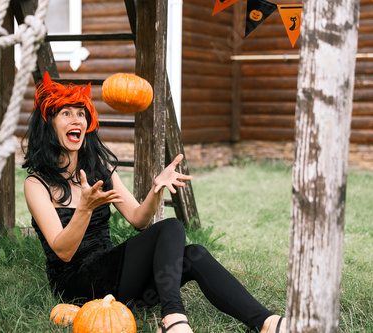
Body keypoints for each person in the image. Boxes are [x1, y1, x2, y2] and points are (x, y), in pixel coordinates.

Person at [22, 72, 286, 333]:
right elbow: (63, 251)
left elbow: (138, 219)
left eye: (81, 113)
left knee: (195, 255)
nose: (76, 119)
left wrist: (156, 189)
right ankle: (172, 317)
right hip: (77, 286)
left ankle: (266, 322)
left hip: (115, 281)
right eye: (65, 113)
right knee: (170, 226)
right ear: (49, 124)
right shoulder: (36, 184)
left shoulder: (98, 168)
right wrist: (85, 209)